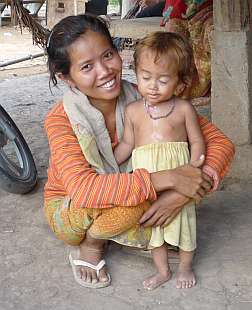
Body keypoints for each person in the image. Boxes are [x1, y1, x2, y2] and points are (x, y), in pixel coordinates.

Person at [44, 14, 234, 289]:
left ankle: (121, 229)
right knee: (137, 195)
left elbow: (220, 143)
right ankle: (92, 244)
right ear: (66, 77)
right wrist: (170, 178)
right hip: (72, 206)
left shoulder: (145, 98)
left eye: (108, 55)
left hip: (129, 189)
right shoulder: (61, 119)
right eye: (86, 66)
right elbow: (85, 190)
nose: (105, 71)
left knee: (171, 183)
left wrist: (180, 193)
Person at [114, 31, 206, 290]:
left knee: (184, 224)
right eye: (145, 77)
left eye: (163, 80)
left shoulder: (184, 109)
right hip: (149, 182)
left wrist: (194, 167)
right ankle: (163, 270)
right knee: (156, 229)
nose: (152, 86)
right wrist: (108, 165)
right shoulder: (133, 111)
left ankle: (185, 267)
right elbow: (127, 145)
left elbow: (198, 141)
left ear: (179, 84)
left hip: (180, 180)